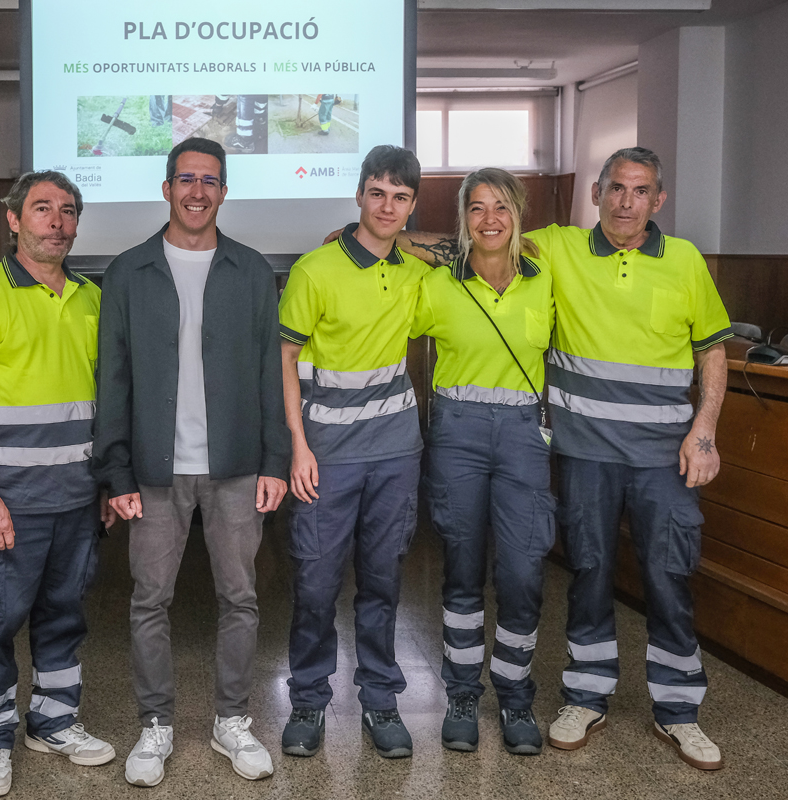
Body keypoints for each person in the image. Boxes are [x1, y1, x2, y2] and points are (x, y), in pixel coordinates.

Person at [391, 146, 734, 771]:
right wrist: (379, 231)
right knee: (589, 573)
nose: (626, 202)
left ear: (658, 199)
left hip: (661, 454)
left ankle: (678, 711)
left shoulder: (679, 261)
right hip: (581, 452)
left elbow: (713, 349)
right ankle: (579, 696)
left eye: (640, 191)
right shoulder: (560, 250)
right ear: (596, 193)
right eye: (615, 189)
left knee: (666, 574)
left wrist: (705, 430)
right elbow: (465, 246)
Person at [93, 137, 290, 787]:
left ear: (224, 191)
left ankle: (231, 720)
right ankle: (155, 725)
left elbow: (270, 372)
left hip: (235, 464)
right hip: (154, 468)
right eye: (186, 179)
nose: (197, 191)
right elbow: (112, 380)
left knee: (241, 597)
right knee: (150, 600)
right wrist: (115, 471)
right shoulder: (128, 272)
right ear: (166, 188)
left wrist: (275, 461)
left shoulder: (254, 271)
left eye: (210, 180)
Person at [0, 171, 116, 797]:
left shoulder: (94, 297)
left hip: (77, 498)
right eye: (42, 209)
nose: (57, 222)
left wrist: (104, 485)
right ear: (13, 219)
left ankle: (53, 721)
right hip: (8, 499)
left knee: (64, 615)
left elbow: (104, 405)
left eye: (68, 211)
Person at [278, 145, 429, 760]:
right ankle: (309, 700)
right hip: (328, 456)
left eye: (401, 197)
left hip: (396, 452)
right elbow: (284, 359)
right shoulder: (314, 271)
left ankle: (381, 699)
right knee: (315, 583)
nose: (387, 206)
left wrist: (417, 244)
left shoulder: (418, 273)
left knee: (383, 581)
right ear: (359, 195)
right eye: (378, 193)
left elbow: (483, 249)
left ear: (412, 206)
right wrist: (297, 447)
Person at [410, 168, 555, 756]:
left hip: (524, 433)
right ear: (462, 219)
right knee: (462, 569)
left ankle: (516, 694)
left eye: (501, 207)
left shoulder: (548, 279)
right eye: (477, 208)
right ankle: (463, 693)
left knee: (523, 570)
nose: (489, 219)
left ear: (519, 214)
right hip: (458, 433)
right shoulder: (439, 283)